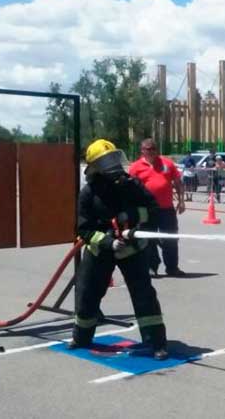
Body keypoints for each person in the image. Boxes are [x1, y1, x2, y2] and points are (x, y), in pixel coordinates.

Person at [70, 139, 168, 360]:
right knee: (87, 292)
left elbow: (152, 210)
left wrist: (135, 226)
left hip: (132, 250)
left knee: (144, 295)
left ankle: (156, 343)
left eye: (113, 158)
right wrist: (108, 242)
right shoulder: (88, 193)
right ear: (94, 166)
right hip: (100, 250)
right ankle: (82, 336)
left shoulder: (131, 185)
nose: (112, 165)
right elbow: (83, 229)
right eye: (105, 161)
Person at [128, 138, 186, 277]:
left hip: (166, 208)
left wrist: (182, 201)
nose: (151, 151)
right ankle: (152, 267)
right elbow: (130, 189)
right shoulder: (135, 167)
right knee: (149, 239)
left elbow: (178, 183)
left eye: (153, 148)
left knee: (171, 238)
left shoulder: (167, 163)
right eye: (148, 149)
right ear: (142, 150)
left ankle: (172, 267)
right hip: (146, 210)